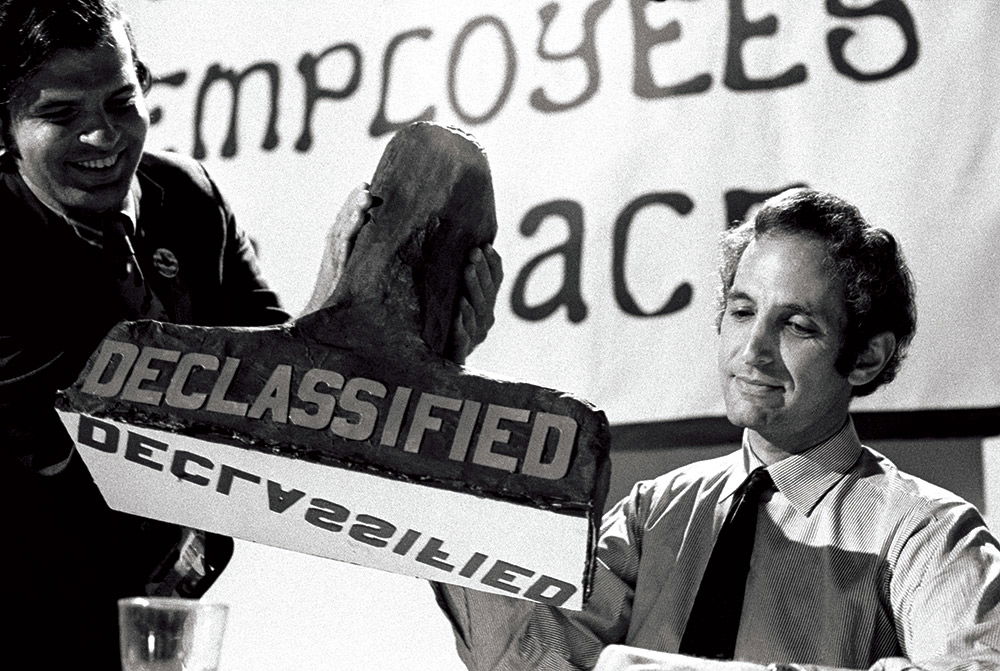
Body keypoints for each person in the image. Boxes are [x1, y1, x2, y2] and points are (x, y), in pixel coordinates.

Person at [0, 0, 501, 666]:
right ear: (3, 130)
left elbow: (291, 403)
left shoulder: (191, 197)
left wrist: (394, 331)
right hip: (34, 609)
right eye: (61, 115)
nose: (104, 137)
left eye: (121, 102)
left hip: (184, 605)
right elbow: (99, 454)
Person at [433, 188, 1000, 671]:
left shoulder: (928, 535)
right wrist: (438, 390)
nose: (752, 352)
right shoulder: (655, 511)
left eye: (796, 325)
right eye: (741, 310)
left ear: (867, 358)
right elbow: (540, 655)